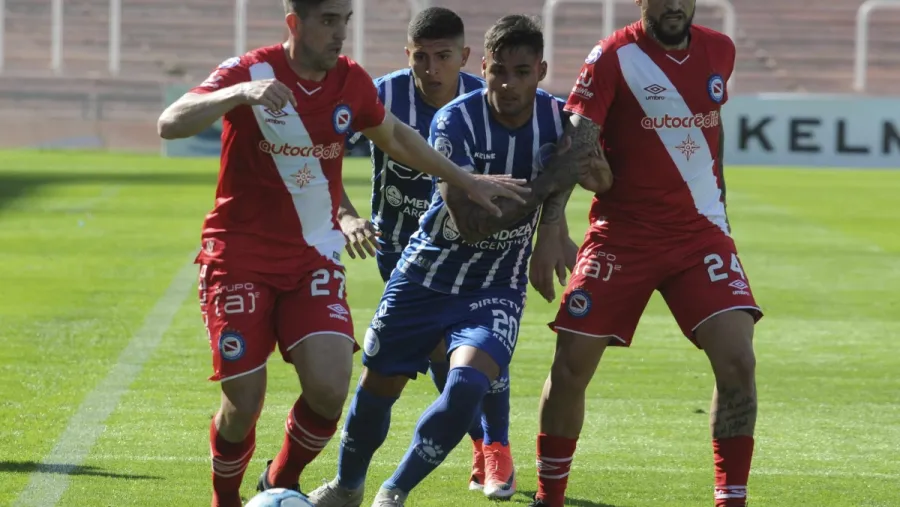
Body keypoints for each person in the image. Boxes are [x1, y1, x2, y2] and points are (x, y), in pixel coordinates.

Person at [155, 1, 529, 506]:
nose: (340, 33)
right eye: (328, 21)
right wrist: (238, 94)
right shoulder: (253, 71)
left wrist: (465, 179)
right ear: (295, 23)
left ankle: (280, 482)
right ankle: (226, 499)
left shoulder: (350, 80)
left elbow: (396, 137)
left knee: (330, 390)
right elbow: (170, 122)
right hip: (239, 256)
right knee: (243, 402)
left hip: (313, 256)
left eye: (344, 21)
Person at [308, 14, 607, 507]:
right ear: (482, 67)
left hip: (496, 285)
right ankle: (347, 485)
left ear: (540, 71)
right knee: (378, 386)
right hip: (422, 274)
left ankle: (395, 489)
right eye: (499, 71)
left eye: (522, 72)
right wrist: (547, 185)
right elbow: (470, 221)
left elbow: (598, 174)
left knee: (467, 385)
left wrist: (559, 219)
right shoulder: (454, 120)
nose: (509, 84)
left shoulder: (558, 120)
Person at [526, 1, 762, 506]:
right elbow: (577, 145)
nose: (673, 4)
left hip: (699, 236)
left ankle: (731, 499)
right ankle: (550, 496)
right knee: (570, 367)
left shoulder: (720, 50)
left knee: (738, 362)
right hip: (622, 236)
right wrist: (551, 227)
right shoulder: (612, 56)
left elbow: (709, 133)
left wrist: (716, 206)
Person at [337, 7, 536, 497]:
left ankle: (494, 447)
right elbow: (324, 150)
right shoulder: (383, 95)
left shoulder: (485, 100)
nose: (431, 69)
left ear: (464, 57)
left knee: (478, 349)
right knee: (438, 356)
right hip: (401, 250)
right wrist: (345, 214)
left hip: (472, 252)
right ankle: (482, 442)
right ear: (407, 55)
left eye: (442, 57)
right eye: (420, 58)